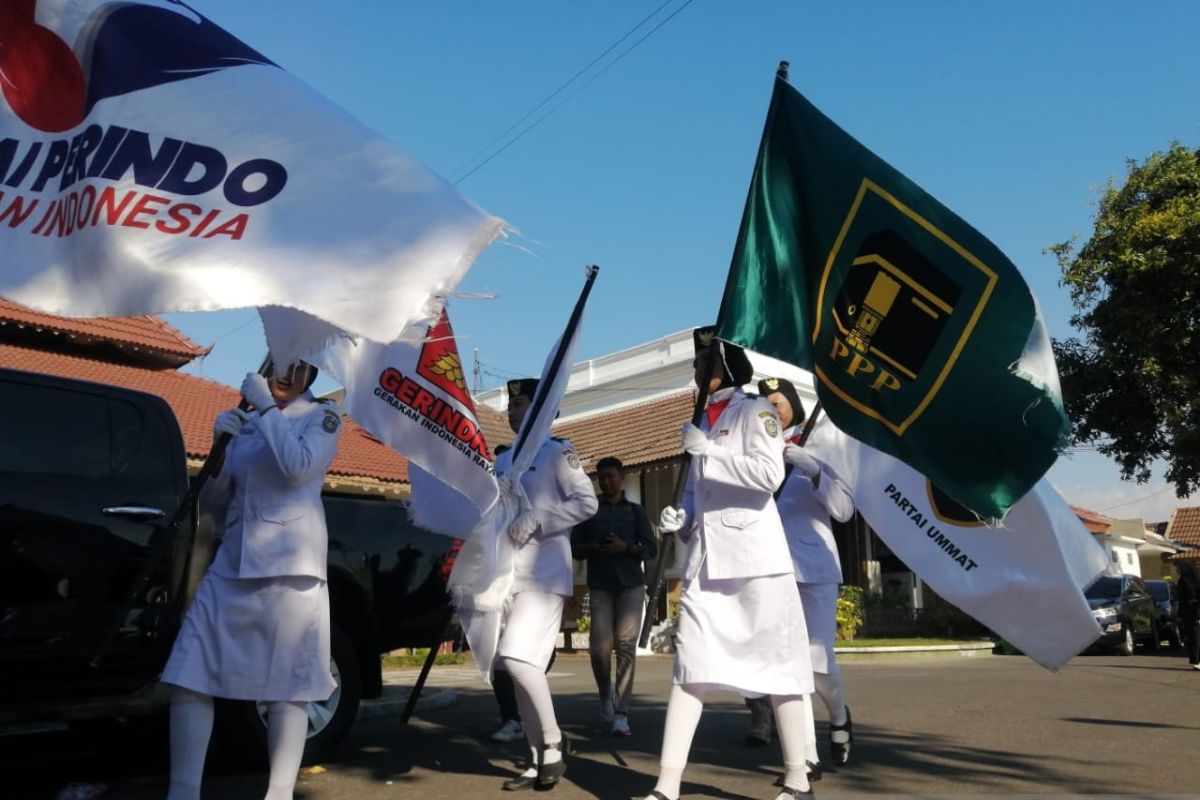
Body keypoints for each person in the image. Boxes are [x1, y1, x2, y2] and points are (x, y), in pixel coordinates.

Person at [646, 327, 815, 800]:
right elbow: (696, 495)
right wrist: (680, 518)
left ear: (719, 368)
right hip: (706, 562)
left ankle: (799, 779)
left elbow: (768, 474)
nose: (695, 373)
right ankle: (666, 786)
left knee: (779, 669)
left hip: (756, 561)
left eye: (700, 365)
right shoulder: (701, 420)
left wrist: (711, 452)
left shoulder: (756, 411)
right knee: (690, 668)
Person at [160, 361, 342, 800]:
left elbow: (298, 467)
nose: (287, 373)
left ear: (312, 377)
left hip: (290, 567)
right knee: (190, 670)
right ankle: (182, 791)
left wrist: (264, 409)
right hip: (234, 562)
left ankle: (278, 793)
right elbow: (215, 498)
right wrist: (219, 447)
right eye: (281, 363)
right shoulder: (252, 422)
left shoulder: (322, 417)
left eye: (300, 368)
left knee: (289, 685)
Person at [493, 378, 598, 791]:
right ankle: (537, 757)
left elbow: (586, 502)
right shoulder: (503, 461)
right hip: (507, 573)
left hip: (544, 571)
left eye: (519, 404)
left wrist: (541, 517)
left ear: (542, 408)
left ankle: (554, 742)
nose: (511, 412)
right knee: (521, 667)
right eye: (510, 405)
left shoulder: (558, 453)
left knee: (517, 657)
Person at [747, 377, 856, 769]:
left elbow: (844, 510)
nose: (773, 410)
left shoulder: (819, 447)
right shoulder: (754, 448)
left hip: (815, 569)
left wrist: (813, 472)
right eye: (766, 405)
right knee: (782, 664)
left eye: (779, 402)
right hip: (769, 569)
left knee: (816, 662)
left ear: (793, 404)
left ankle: (840, 717)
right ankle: (805, 754)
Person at [571, 456, 658, 736]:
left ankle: (622, 713)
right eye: (603, 477)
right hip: (600, 586)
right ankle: (604, 691)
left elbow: (650, 549)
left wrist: (627, 547)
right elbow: (575, 547)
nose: (607, 482)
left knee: (625, 645)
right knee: (598, 647)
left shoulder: (635, 512)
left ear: (621, 478)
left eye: (612, 476)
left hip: (631, 585)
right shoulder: (589, 511)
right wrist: (594, 547)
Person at [1177, 560, 1200, 670]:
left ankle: (1197, 660)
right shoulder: (1182, 580)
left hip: (1195, 613)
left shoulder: (1196, 580)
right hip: (1187, 614)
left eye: (1179, 568)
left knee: (1196, 637)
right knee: (1191, 637)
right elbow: (1181, 598)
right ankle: (1195, 659)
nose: (1177, 570)